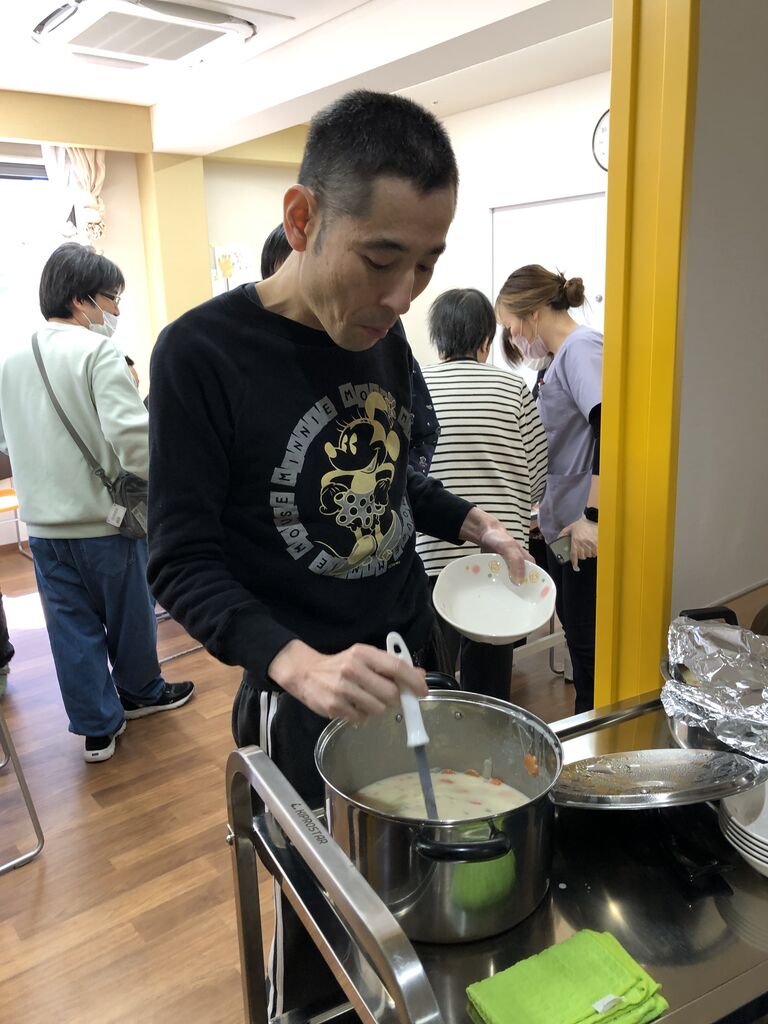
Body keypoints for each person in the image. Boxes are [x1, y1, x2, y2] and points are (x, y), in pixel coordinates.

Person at [148, 89, 530, 1016]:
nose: (402, 296)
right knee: (327, 927)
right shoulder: (201, 354)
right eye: (382, 259)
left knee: (433, 897)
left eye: (427, 265)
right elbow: (181, 560)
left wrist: (469, 520)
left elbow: (392, 478)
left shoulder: (383, 337)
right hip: (303, 699)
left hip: (410, 661)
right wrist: (296, 664)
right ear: (302, 218)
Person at [0, 243, 194, 762]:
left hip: (42, 528)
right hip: (105, 524)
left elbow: (6, 445)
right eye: (112, 298)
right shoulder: (97, 352)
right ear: (81, 299)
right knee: (130, 617)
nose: (115, 310)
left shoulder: (10, 361)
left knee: (70, 628)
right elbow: (133, 442)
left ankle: (96, 730)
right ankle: (141, 694)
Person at [417, 288, 548, 698]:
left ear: (437, 340)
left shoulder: (417, 385)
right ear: (486, 341)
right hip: (499, 560)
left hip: (429, 556)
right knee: (488, 684)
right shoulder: (514, 389)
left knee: (432, 681)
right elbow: (538, 477)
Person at [496, 264, 602, 713]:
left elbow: (610, 428)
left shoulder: (581, 349)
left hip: (584, 530)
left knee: (588, 651)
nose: (514, 337)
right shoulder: (559, 361)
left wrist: (592, 516)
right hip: (562, 525)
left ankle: (595, 744)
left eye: (512, 327)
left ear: (534, 314)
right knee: (579, 641)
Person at [261, 221, 441, 475]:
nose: (402, 302)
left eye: (424, 266)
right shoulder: (255, 359)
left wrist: (400, 484)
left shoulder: (384, 333)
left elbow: (422, 427)